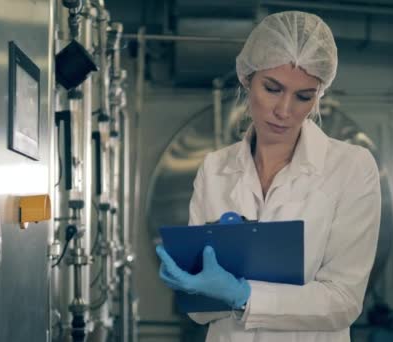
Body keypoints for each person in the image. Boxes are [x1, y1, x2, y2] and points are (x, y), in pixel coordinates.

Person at [155, 10, 381, 342]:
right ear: (247, 78)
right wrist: (190, 284)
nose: (284, 110)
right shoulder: (215, 168)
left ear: (319, 95)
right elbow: (201, 312)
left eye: (304, 96)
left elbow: (343, 300)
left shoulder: (351, 168)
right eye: (272, 88)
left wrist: (242, 295)